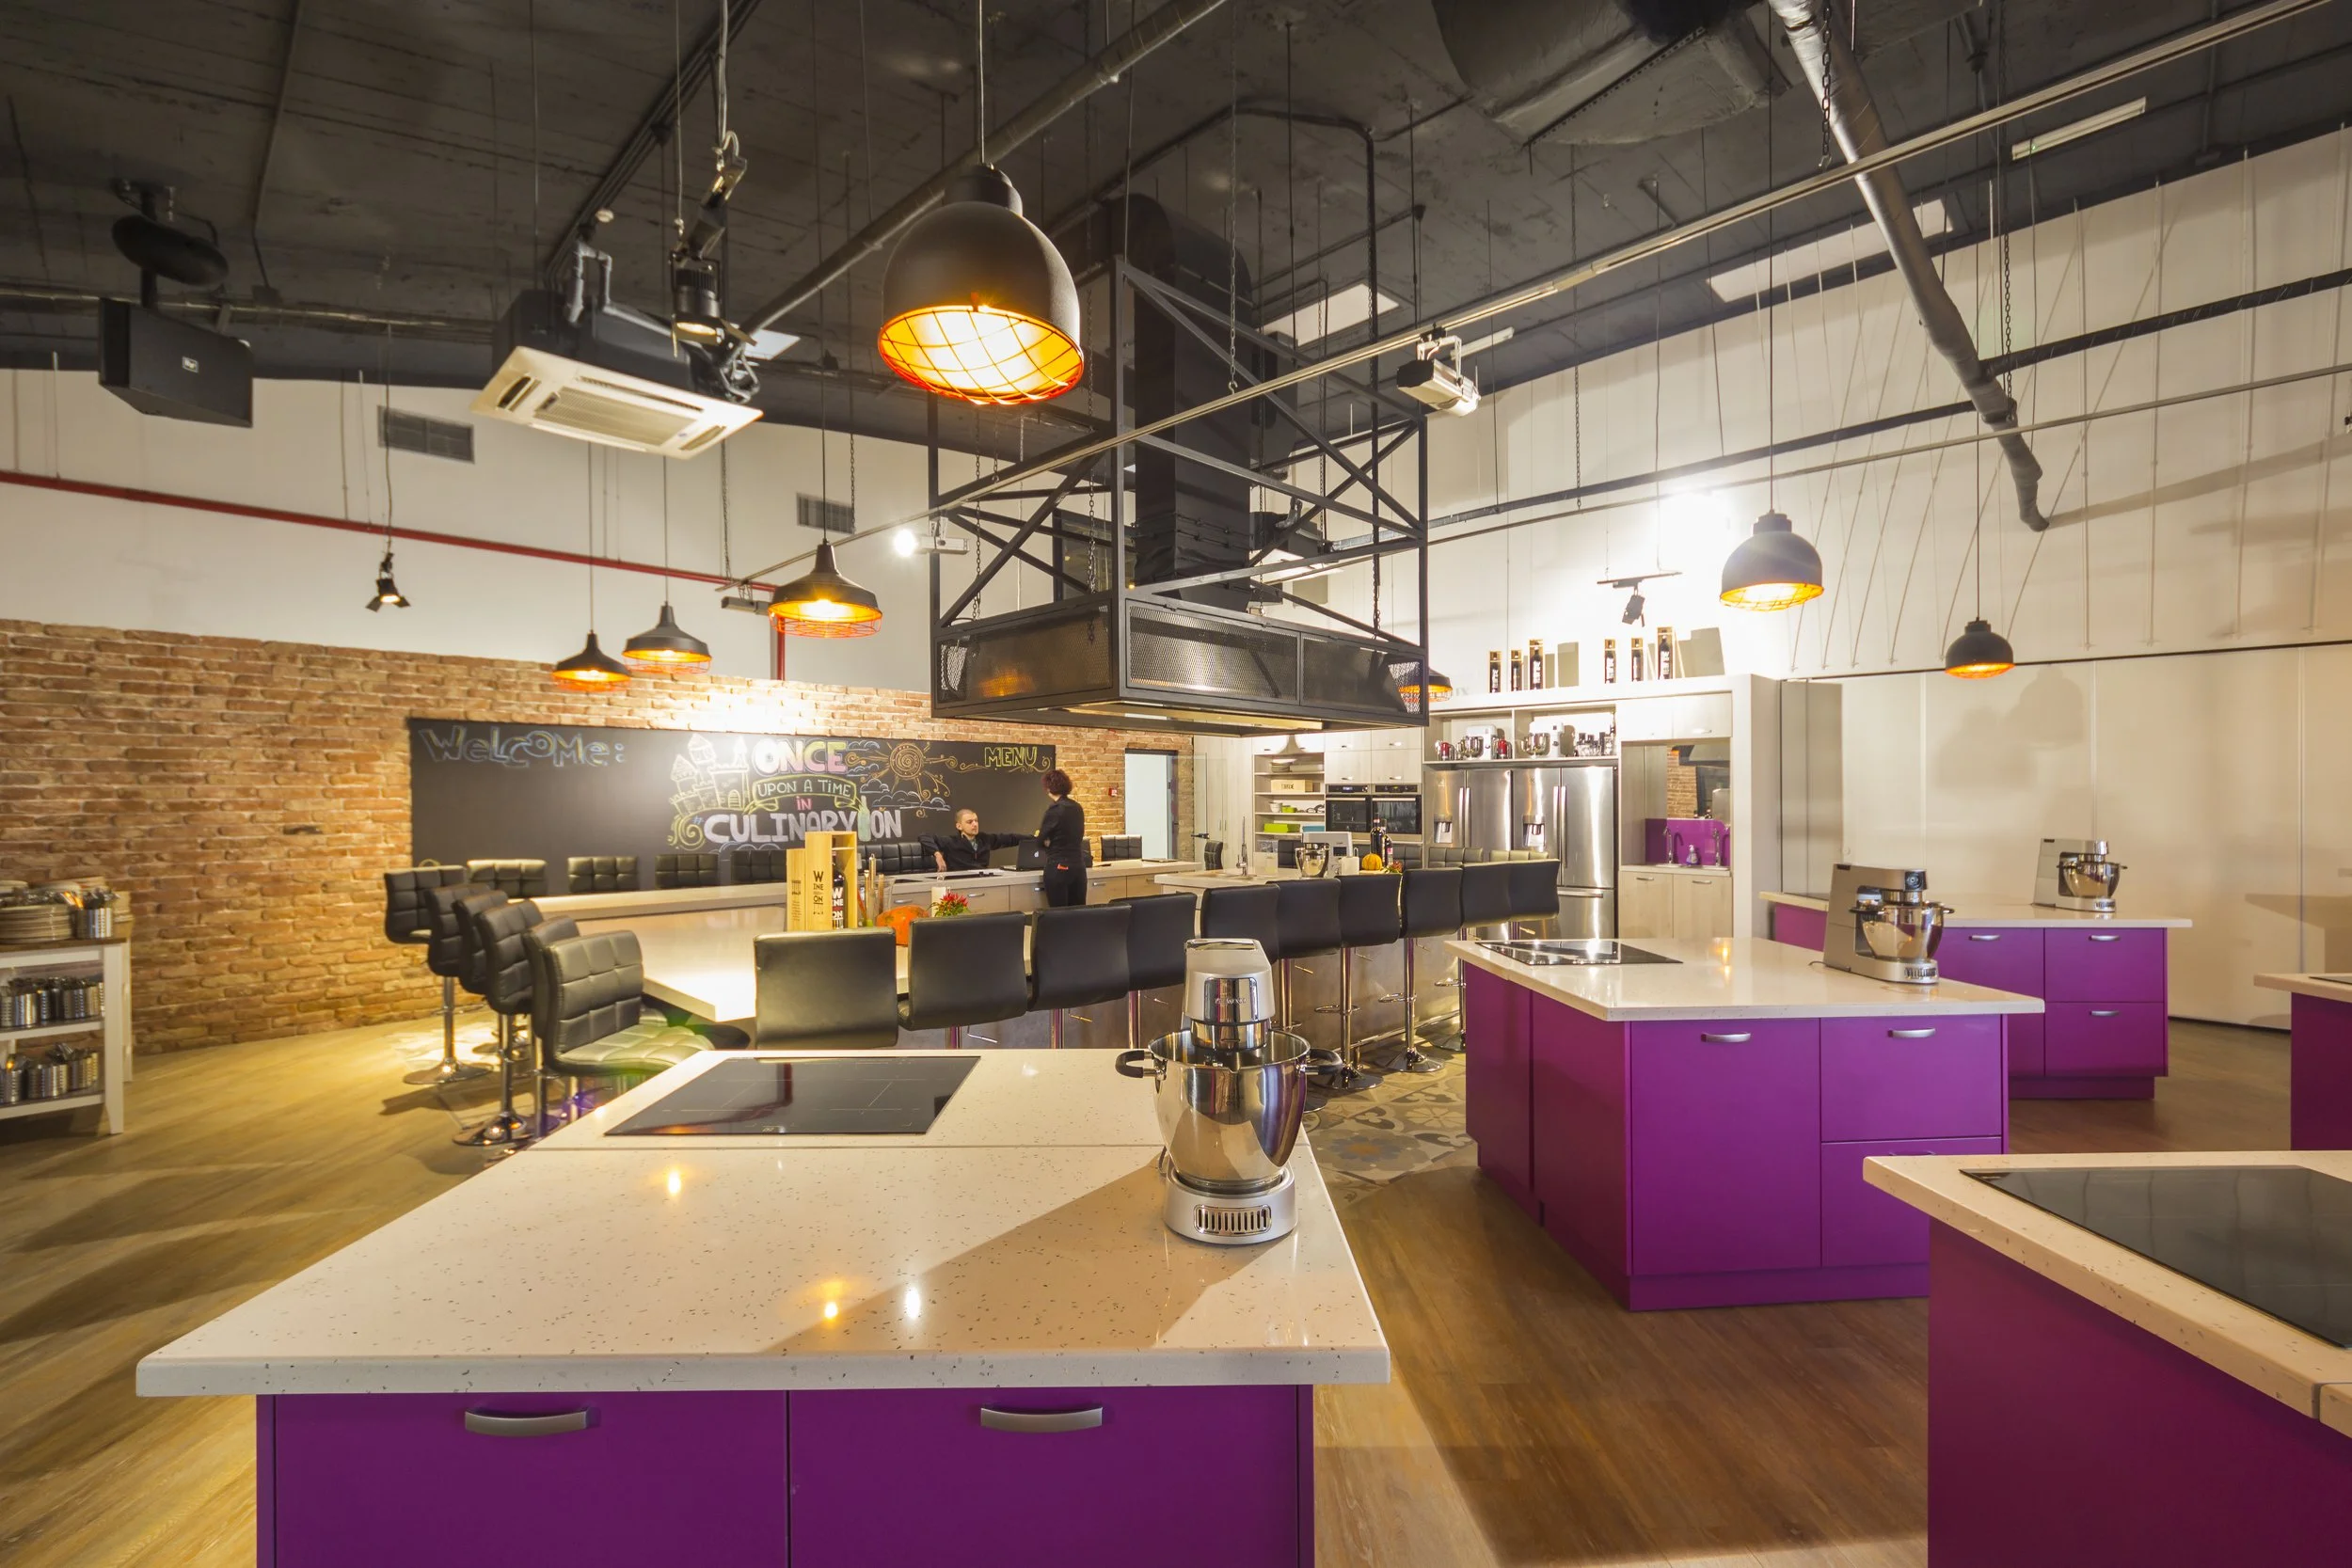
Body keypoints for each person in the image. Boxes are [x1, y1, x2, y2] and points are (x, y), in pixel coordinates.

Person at [1037, 768, 1087, 907]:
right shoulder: (1077, 808)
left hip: (1059, 866)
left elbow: (1041, 840)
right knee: (1079, 912)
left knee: (1059, 914)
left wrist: (1048, 844)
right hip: (1078, 866)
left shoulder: (1055, 809)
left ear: (1048, 788)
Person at [921, 809, 1024, 873]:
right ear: (959, 826)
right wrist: (938, 855)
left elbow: (1011, 838)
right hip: (959, 883)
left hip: (982, 880)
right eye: (970, 822)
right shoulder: (950, 841)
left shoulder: (984, 839)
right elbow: (924, 836)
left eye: (976, 821)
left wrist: (1036, 838)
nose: (975, 824)